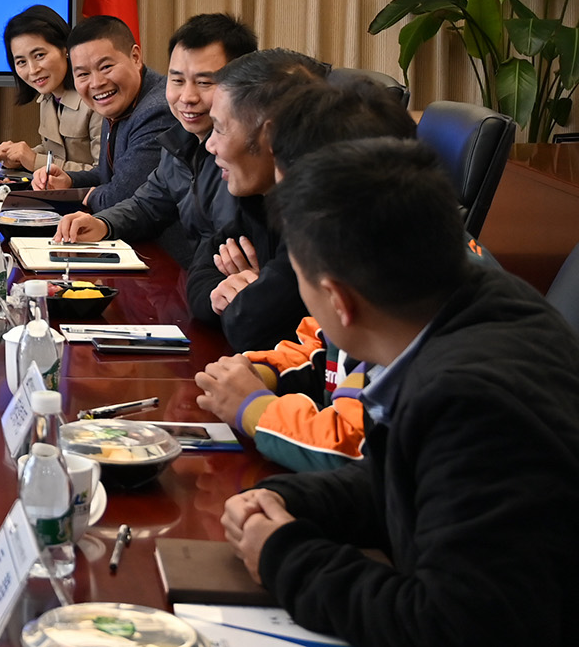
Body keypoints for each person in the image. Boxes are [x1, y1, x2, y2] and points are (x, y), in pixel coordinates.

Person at [219, 138, 579, 647]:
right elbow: (406, 474)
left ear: (338, 301)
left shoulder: (470, 402)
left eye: (299, 280)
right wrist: (288, 499)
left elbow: (450, 625)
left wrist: (282, 554)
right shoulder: (480, 302)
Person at [193, 80, 417, 471]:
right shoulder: (379, 243)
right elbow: (322, 343)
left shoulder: (403, 290)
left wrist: (252, 408)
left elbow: (358, 450)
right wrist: (263, 371)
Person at [52, 13, 257, 267]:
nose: (187, 97)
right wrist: (103, 224)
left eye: (204, 82)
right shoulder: (181, 138)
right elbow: (148, 204)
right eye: (177, 80)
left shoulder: (253, 160)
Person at [199, 48, 328, 350]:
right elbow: (203, 264)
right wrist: (222, 294)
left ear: (270, 136)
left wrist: (251, 297)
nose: (210, 145)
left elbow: (251, 326)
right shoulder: (260, 196)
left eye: (219, 128)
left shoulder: (322, 214)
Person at [31, 14, 178, 211]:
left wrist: (84, 195)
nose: (96, 83)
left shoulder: (157, 111)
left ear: (135, 57)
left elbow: (122, 197)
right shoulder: (119, 101)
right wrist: (70, 181)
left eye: (106, 67)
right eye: (83, 74)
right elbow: (109, 174)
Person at [0, 5, 103, 172]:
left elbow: (103, 173)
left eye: (39, 55)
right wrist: (18, 158)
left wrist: (35, 161)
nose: (32, 70)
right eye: (21, 62)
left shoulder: (96, 98)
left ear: (65, 49)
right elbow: (56, 152)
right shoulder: (48, 97)